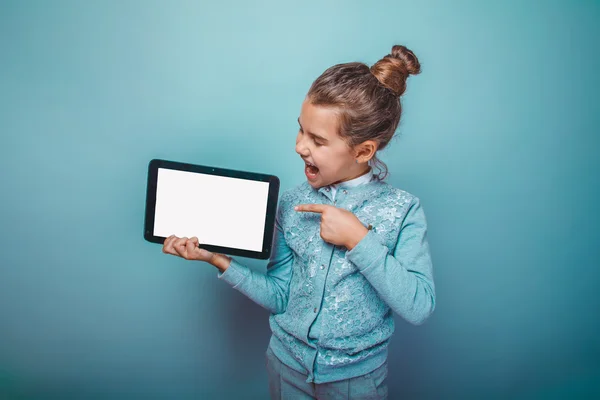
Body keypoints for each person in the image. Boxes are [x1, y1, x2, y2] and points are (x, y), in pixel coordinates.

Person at [162, 44, 436, 400]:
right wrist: (217, 259)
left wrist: (358, 239)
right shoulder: (291, 203)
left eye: (318, 140)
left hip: (356, 384)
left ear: (363, 151)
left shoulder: (402, 210)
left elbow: (419, 306)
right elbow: (280, 297)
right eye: (301, 130)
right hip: (286, 370)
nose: (299, 146)